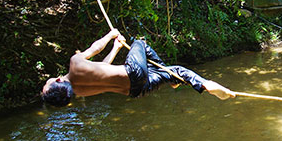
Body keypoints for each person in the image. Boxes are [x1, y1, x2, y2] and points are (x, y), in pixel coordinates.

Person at [41, 29, 235, 107]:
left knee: (177, 70)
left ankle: (205, 85)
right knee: (140, 44)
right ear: (58, 81)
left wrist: (116, 48)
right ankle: (176, 78)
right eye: (47, 83)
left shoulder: (80, 91)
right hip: (134, 72)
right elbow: (95, 48)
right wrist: (111, 35)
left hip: (136, 90)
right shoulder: (75, 64)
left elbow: (103, 67)